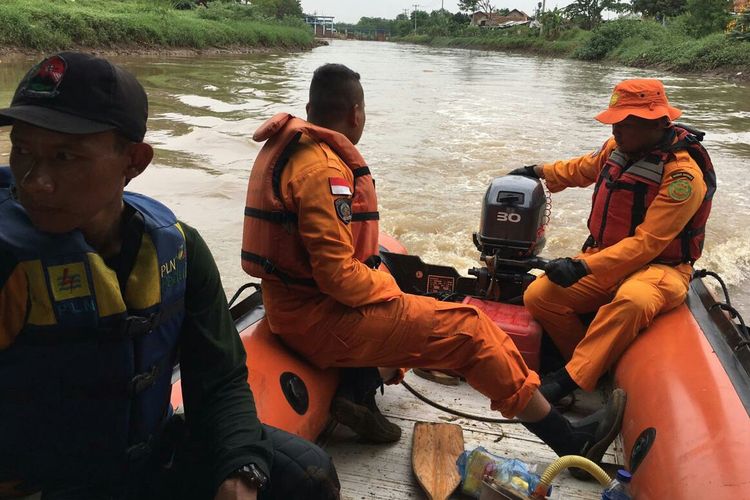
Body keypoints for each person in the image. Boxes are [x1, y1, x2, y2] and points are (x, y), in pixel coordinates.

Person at [242, 63, 627, 465]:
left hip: (295, 307)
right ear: (357, 113)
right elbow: (338, 277)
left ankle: (354, 393)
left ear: (309, 107)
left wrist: (384, 285)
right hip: (319, 319)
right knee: (471, 330)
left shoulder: (295, 151)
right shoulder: (323, 171)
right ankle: (570, 441)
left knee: (394, 284)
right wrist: (393, 292)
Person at [0, 52, 340, 500]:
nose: (36, 180)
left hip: (142, 462)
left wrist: (241, 472)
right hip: (36, 487)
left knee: (303, 473)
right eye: (22, 149)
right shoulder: (9, 263)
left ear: (134, 162)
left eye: (64, 156)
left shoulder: (179, 249)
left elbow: (219, 381)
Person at [512, 79, 714, 403]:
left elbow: (649, 244)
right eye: (615, 123)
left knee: (633, 300)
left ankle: (567, 381)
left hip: (660, 268)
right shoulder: (617, 149)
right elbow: (581, 168)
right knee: (540, 295)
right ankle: (591, 365)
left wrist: (583, 267)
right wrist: (534, 170)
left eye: (624, 124)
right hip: (606, 256)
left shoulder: (682, 177)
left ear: (656, 123)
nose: (615, 131)